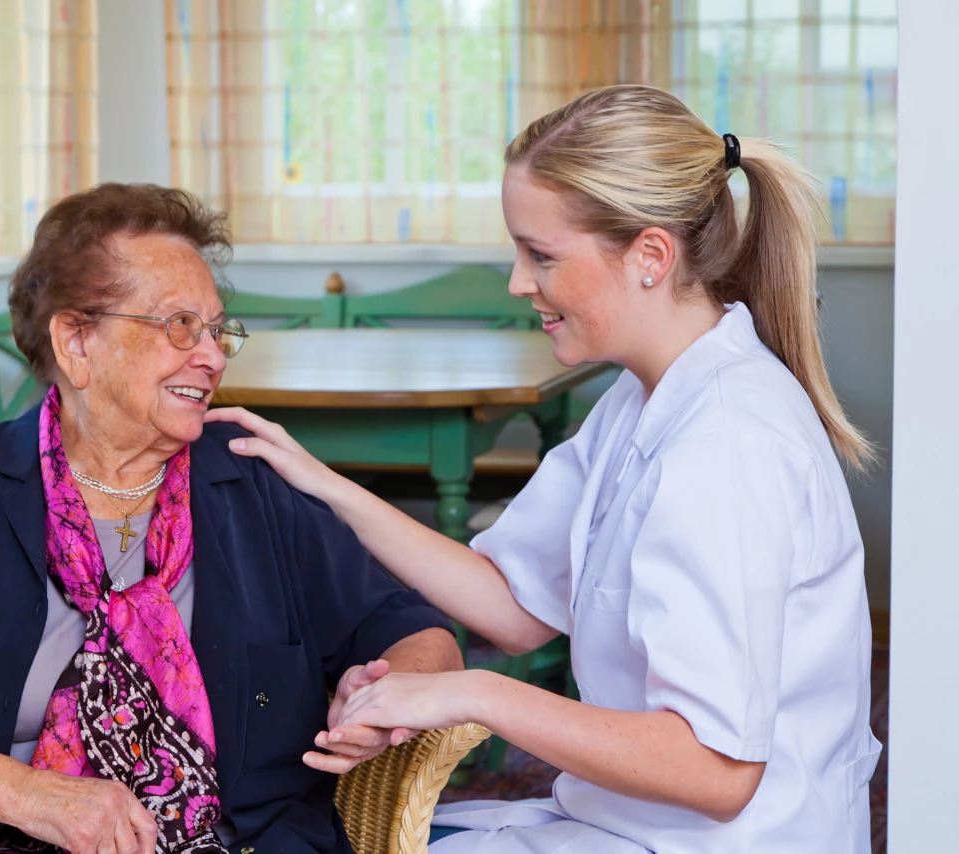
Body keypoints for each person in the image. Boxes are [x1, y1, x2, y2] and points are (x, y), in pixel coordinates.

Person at [208, 84, 881, 853]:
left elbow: (716, 772)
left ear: (651, 257)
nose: (519, 283)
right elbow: (513, 604)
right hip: (622, 825)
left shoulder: (727, 446)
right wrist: (325, 485)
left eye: (542, 256)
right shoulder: (644, 398)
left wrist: (470, 693)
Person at [0, 183, 462, 854]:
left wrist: (380, 694)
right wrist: (32, 795)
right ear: (76, 342)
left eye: (218, 330)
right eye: (180, 326)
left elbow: (420, 635)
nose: (213, 356)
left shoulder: (253, 482)